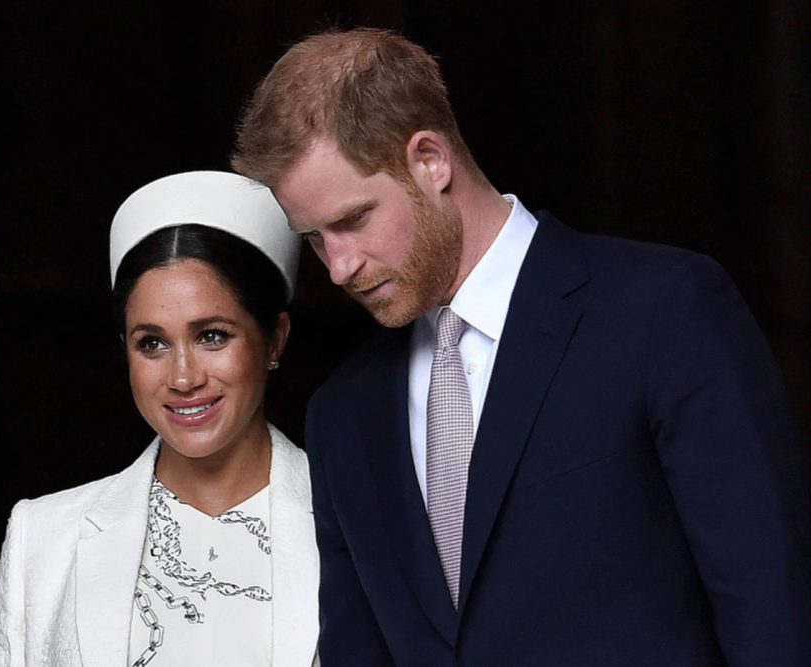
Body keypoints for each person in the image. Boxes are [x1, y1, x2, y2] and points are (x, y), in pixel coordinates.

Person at [231, 28, 811, 666]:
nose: (337, 266)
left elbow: (769, 598)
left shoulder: (662, 312)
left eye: (352, 220)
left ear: (430, 159)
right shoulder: (343, 414)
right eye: (314, 237)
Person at [0, 171, 319, 667]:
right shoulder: (45, 536)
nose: (183, 378)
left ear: (275, 338)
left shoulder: (355, 524)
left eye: (213, 336)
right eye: (152, 343)